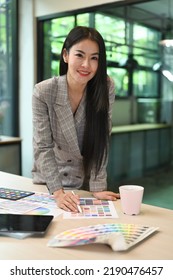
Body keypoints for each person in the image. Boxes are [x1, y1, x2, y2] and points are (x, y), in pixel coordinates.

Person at [32, 26, 120, 212]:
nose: (86, 65)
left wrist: (98, 187)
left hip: (84, 183)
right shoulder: (44, 91)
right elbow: (42, 146)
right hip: (50, 183)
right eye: (79, 55)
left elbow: (102, 137)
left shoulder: (105, 86)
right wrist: (57, 192)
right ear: (65, 55)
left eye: (94, 58)